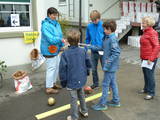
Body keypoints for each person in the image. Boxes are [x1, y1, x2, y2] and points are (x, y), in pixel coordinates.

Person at [59, 29, 91, 120]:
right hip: (81, 78)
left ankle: (74, 117)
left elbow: (62, 70)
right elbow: (88, 63)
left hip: (71, 80)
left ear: (68, 41)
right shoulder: (83, 51)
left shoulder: (65, 54)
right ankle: (84, 111)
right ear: (79, 40)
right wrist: (87, 73)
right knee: (81, 95)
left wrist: (63, 82)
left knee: (73, 99)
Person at [92, 20, 121, 111]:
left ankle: (102, 104)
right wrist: (92, 47)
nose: (104, 30)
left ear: (110, 29)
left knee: (105, 84)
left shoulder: (112, 39)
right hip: (109, 66)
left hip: (110, 67)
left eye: (105, 29)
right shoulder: (107, 37)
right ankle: (116, 101)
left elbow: (116, 52)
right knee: (112, 83)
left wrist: (107, 64)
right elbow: (103, 48)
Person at [40, 7, 64, 94]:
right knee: (51, 68)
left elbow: (60, 35)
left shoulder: (57, 24)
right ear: (49, 15)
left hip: (56, 49)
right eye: (53, 15)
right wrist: (60, 40)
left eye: (56, 15)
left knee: (56, 67)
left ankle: (53, 83)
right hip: (49, 50)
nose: (55, 16)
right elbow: (51, 39)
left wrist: (61, 45)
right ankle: (49, 88)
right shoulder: (45, 25)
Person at [139, 16, 159, 100]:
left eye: (144, 23)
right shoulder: (145, 31)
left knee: (149, 75)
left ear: (148, 24)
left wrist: (151, 58)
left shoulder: (152, 32)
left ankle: (151, 92)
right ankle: (146, 88)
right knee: (146, 74)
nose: (142, 24)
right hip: (144, 57)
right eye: (142, 22)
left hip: (150, 58)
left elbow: (157, 46)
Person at [85, 10, 104, 89]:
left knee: (105, 68)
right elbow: (87, 38)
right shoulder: (89, 26)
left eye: (95, 20)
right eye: (92, 20)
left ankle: (108, 83)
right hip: (93, 51)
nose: (94, 22)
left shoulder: (103, 25)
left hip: (103, 50)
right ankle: (95, 83)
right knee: (93, 69)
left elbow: (107, 37)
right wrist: (86, 48)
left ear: (99, 18)